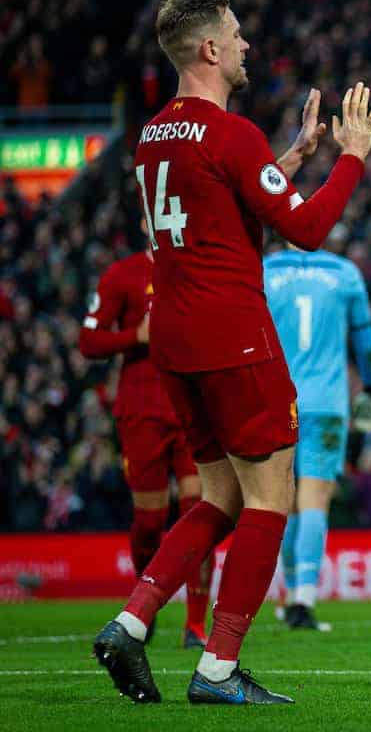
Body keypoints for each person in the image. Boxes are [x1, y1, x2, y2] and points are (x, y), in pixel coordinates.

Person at [91, 0, 371, 705]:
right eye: (239, 36)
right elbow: (305, 230)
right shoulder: (232, 133)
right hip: (235, 333)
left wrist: (290, 157)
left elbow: (218, 207)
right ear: (211, 50)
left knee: (218, 495)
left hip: (177, 342)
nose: (248, 46)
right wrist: (350, 159)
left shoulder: (154, 134)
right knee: (269, 499)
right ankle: (218, 667)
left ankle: (131, 621)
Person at [79, 233, 213, 649]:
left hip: (192, 406)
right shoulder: (123, 275)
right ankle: (145, 603)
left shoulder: (198, 266)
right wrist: (134, 337)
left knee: (200, 511)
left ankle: (194, 624)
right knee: (149, 522)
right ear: (143, 219)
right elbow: (89, 341)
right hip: (143, 413)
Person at [264, 242, 371, 631]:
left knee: (284, 502)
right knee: (314, 499)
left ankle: (290, 594)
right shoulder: (343, 272)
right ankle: (303, 599)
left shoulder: (264, 271)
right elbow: (366, 346)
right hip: (328, 404)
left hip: (277, 400)